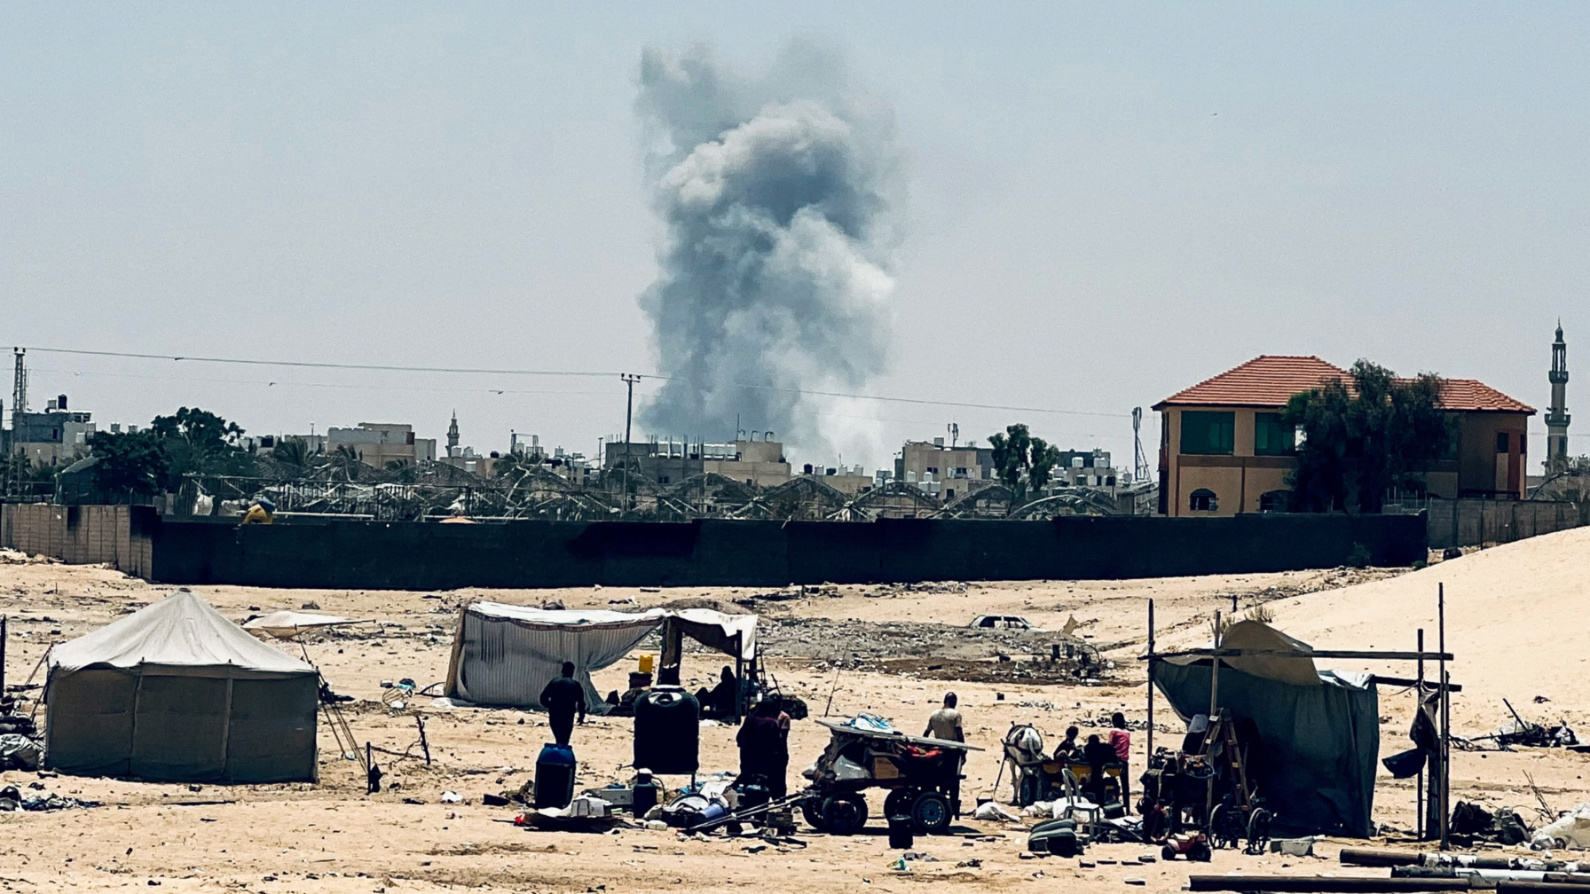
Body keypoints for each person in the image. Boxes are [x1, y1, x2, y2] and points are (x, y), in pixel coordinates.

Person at [924, 692, 965, 817]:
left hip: (937, 751)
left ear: (944, 701)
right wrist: (963, 749)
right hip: (952, 752)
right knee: (954, 780)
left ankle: (940, 799)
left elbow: (926, 733)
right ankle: (953, 808)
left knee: (937, 777)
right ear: (954, 702)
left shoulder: (934, 714)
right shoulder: (955, 715)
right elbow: (959, 733)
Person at [736, 699, 787, 797]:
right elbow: (776, 744)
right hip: (764, 760)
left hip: (747, 757)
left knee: (748, 781)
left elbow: (740, 738)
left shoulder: (749, 719)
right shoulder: (771, 723)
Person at [539, 661, 587, 746]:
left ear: (562, 671)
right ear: (572, 672)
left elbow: (543, 698)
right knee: (565, 739)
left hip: (554, 714)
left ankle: (558, 754)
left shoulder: (554, 682)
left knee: (558, 737)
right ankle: (562, 755)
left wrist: (551, 706)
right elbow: (581, 703)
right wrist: (581, 717)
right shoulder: (576, 685)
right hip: (567, 715)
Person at [1109, 712, 1132, 803]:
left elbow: (1110, 746)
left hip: (1115, 760)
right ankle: (1127, 804)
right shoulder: (1127, 733)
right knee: (1125, 784)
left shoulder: (1114, 732)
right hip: (1125, 760)